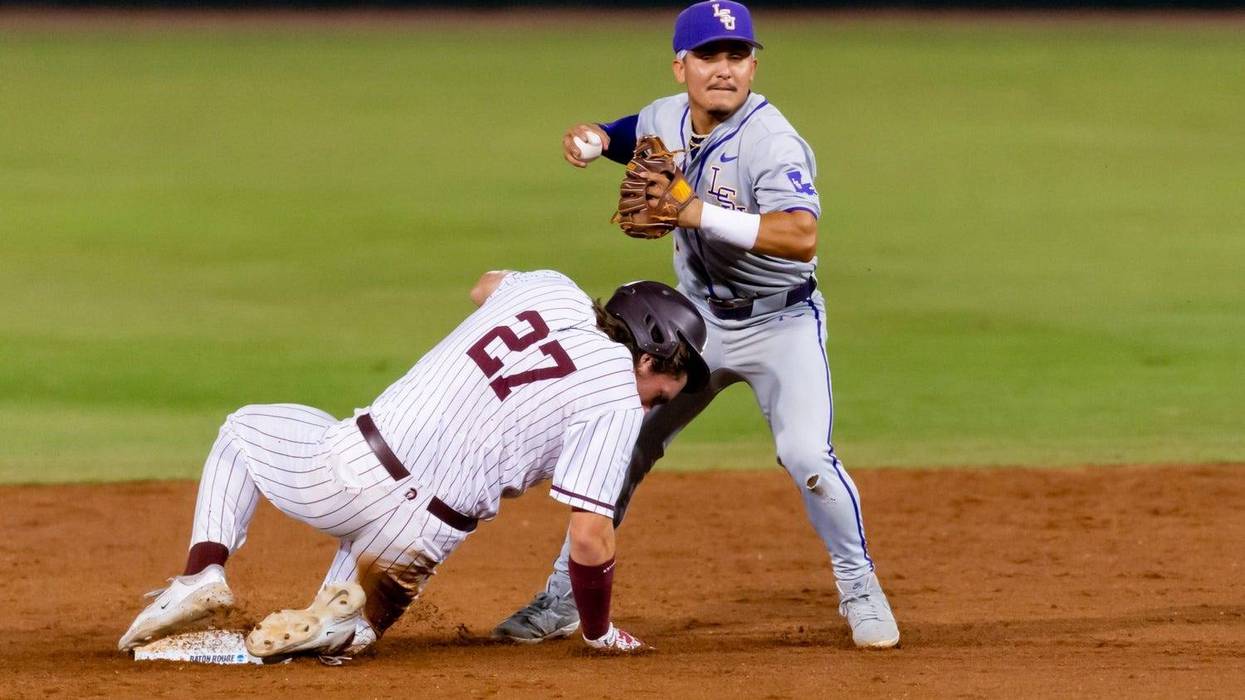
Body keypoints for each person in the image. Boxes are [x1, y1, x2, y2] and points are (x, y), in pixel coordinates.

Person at [493, 1, 900, 649]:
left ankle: (859, 585)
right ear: (680, 66)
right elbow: (637, 131)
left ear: (753, 65)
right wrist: (597, 138)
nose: (723, 69)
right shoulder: (665, 114)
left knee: (805, 455)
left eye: (736, 56)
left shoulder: (773, 141)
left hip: (781, 324)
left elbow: (800, 235)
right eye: (708, 55)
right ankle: (563, 597)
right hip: (695, 326)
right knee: (618, 450)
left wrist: (694, 212)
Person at [118, 270, 710, 658]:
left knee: (243, 433)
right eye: (658, 391)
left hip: (353, 471)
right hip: (422, 537)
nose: (650, 404)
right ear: (649, 351)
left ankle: (203, 576)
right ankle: (336, 628)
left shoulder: (552, 291)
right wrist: (598, 629)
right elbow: (589, 533)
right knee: (348, 643)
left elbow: (485, 286)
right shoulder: (615, 400)